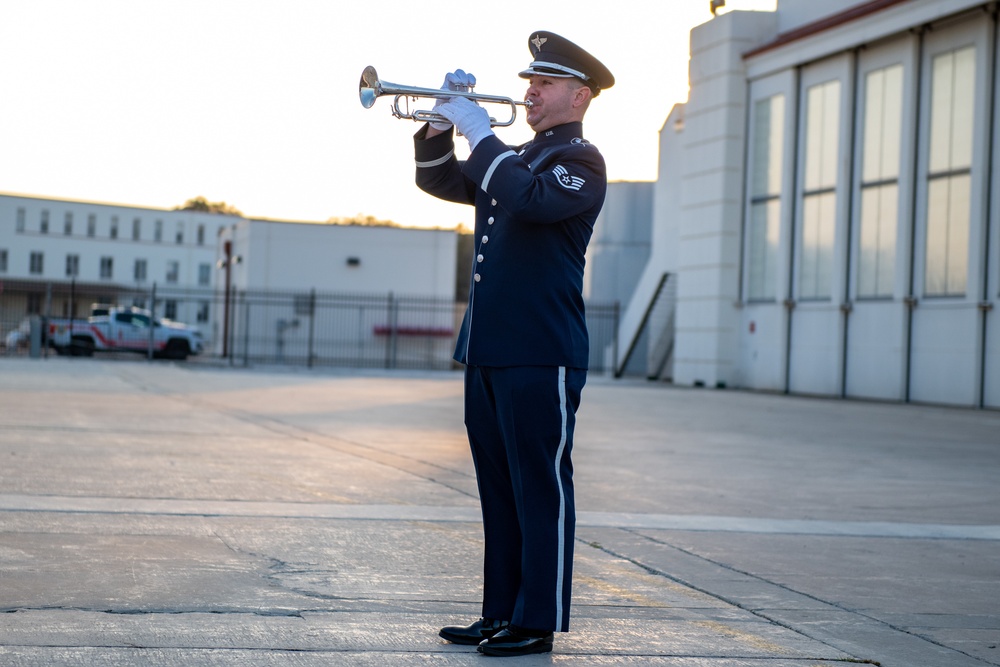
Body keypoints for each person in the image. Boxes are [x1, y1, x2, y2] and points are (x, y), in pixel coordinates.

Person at [413, 31, 614, 657]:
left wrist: (480, 129)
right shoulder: (516, 155)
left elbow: (526, 200)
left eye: (545, 83)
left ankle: (538, 619)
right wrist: (440, 124)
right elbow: (438, 181)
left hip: (540, 349)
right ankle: (500, 613)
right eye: (530, 81)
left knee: (541, 488)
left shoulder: (578, 162)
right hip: (491, 348)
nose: (529, 91)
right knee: (499, 491)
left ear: (577, 96)